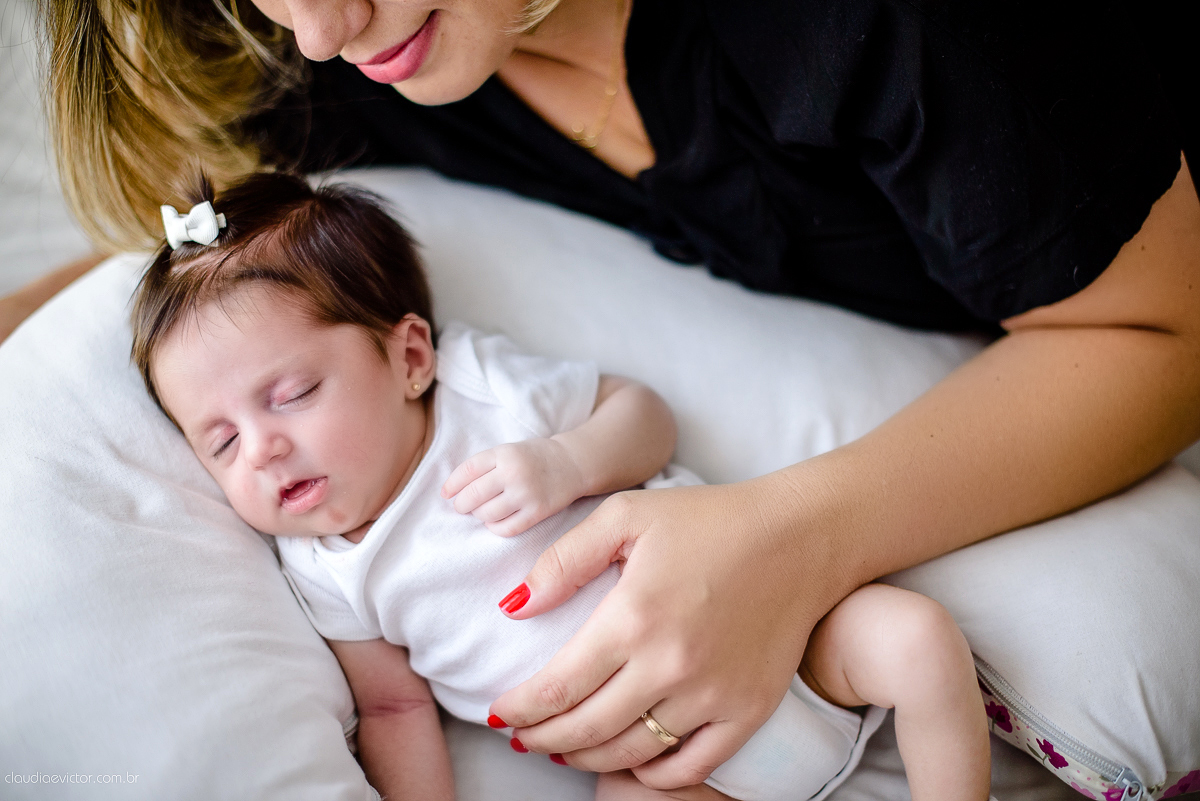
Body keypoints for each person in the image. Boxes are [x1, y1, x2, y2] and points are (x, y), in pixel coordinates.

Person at [23, 0, 1200, 791]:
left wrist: (792, 536)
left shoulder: (862, 28)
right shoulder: (363, 69)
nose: (321, 29)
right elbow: (207, 266)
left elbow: (1166, 331)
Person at [133, 171, 990, 801]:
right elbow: (394, 710)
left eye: (290, 395)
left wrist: (570, 462)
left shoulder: (483, 394)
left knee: (913, 638)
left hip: (794, 638)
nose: (265, 447)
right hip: (651, 767)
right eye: (221, 440)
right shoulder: (324, 567)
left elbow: (644, 414)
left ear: (409, 357)